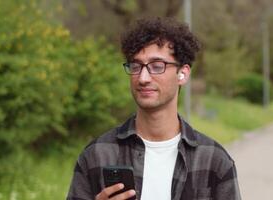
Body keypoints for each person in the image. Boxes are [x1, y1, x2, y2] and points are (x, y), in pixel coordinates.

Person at [67, 17, 241, 200]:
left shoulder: (215, 160)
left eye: (157, 66)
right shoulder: (97, 154)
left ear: (182, 74)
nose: (143, 78)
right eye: (135, 66)